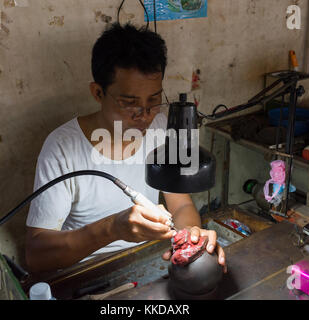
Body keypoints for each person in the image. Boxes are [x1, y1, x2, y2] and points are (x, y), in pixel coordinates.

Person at [25, 23, 226, 274]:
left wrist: (189, 239)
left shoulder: (162, 126)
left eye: (153, 100)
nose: (144, 116)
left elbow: (182, 206)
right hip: (89, 272)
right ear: (98, 93)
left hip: (149, 260)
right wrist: (112, 229)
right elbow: (36, 256)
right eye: (129, 103)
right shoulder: (62, 148)